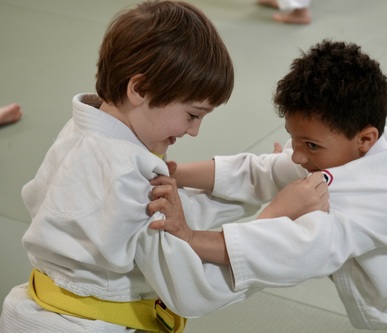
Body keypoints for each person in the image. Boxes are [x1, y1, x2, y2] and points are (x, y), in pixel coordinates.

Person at [0, 1, 328, 332]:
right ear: (140, 89)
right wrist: (277, 218)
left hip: (37, 310)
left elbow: (177, 217)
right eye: (192, 114)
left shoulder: (85, 133)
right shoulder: (126, 174)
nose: (194, 130)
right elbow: (194, 289)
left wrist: (272, 175)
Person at [149, 40, 387, 332]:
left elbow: (299, 249)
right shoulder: (346, 153)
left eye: (311, 146)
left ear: (365, 138)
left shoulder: (383, 194)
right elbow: (263, 171)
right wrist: (175, 173)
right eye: (292, 140)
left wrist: (192, 238)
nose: (298, 156)